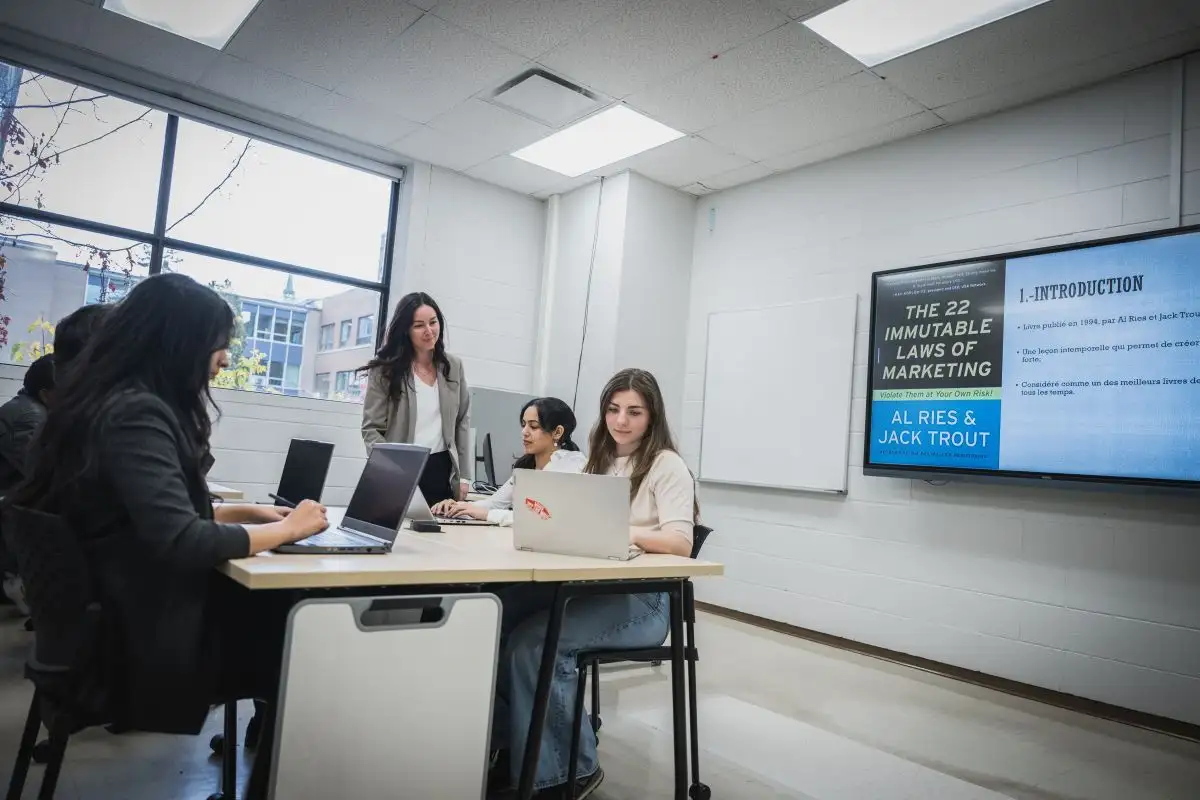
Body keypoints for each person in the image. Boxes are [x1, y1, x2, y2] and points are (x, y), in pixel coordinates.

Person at [6, 273, 328, 798]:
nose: (223, 357)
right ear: (179, 343)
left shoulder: (97, 405)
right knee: (313, 628)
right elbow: (179, 541)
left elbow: (124, 517)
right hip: (139, 643)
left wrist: (240, 514)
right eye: (217, 343)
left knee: (296, 618)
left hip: (103, 620)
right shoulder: (135, 412)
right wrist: (291, 528)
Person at [492, 368, 697, 798]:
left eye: (634, 412)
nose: (621, 421)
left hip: (644, 602)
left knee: (533, 645)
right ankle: (515, 751)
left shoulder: (666, 465)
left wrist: (626, 532)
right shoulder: (598, 460)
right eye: (613, 409)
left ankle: (571, 770)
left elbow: (681, 543)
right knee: (495, 617)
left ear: (652, 416)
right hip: (592, 585)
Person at [361, 291, 472, 506]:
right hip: (400, 469)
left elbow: (462, 423)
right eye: (419, 325)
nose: (429, 331)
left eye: (433, 322)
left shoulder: (453, 367)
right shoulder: (385, 371)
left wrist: (464, 476)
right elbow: (371, 429)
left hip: (440, 470)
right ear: (406, 330)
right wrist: (390, 470)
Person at [432, 397, 585, 526]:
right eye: (523, 425)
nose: (524, 432)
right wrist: (455, 506)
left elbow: (542, 518)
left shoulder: (571, 464)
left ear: (557, 432)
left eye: (533, 426)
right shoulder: (527, 466)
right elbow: (495, 503)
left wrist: (487, 515)